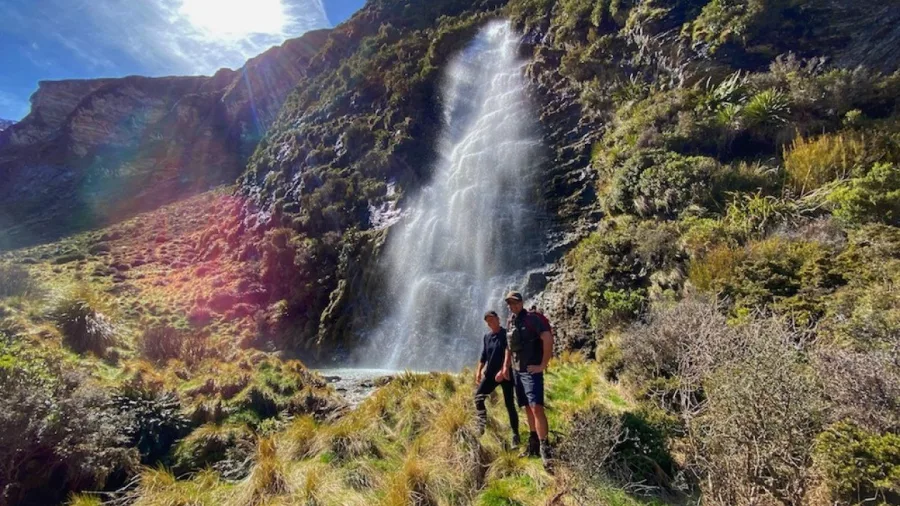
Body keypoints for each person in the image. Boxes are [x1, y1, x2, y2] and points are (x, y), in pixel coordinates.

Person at [500, 291, 553, 468]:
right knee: (526, 407)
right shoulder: (510, 321)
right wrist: (506, 366)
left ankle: (546, 447)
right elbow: (509, 347)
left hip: (531, 371)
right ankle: (534, 443)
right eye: (510, 303)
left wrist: (543, 364)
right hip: (517, 371)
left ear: (522, 302)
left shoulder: (533, 318)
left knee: (536, 407)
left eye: (515, 302)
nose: (512, 306)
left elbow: (547, 338)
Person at [474, 310, 520, 448]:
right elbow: (483, 355)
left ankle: (515, 435)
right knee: (478, 397)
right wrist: (478, 371)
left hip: (505, 375)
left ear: (498, 319)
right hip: (490, 375)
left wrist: (503, 370)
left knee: (509, 404)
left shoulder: (506, 334)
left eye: (492, 320)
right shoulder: (487, 337)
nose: (491, 323)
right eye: (488, 321)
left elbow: (509, 351)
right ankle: (481, 426)